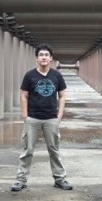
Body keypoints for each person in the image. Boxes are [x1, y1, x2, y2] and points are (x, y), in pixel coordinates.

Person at [12, 43, 72, 191]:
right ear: (37, 58)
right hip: (32, 118)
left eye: (46, 55)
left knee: (54, 149)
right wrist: (25, 116)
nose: (44, 57)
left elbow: (62, 96)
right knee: (27, 150)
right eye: (41, 55)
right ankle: (21, 180)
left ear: (51, 58)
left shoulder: (56, 75)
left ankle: (60, 179)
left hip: (51, 118)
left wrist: (59, 115)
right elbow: (24, 96)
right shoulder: (30, 75)